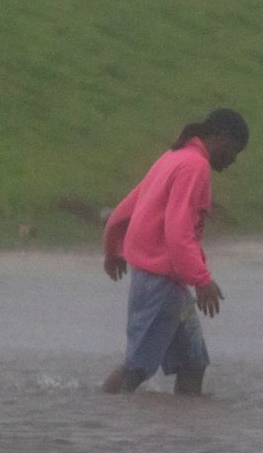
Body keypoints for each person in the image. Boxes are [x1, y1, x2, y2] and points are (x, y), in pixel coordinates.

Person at [100, 108, 249, 396]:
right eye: (234, 151)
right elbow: (178, 229)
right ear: (221, 138)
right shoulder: (194, 166)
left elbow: (128, 206)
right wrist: (202, 279)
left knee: (192, 363)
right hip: (159, 281)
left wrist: (112, 246)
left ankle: (186, 434)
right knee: (136, 368)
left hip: (169, 281)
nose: (233, 160)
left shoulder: (173, 157)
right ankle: (100, 418)